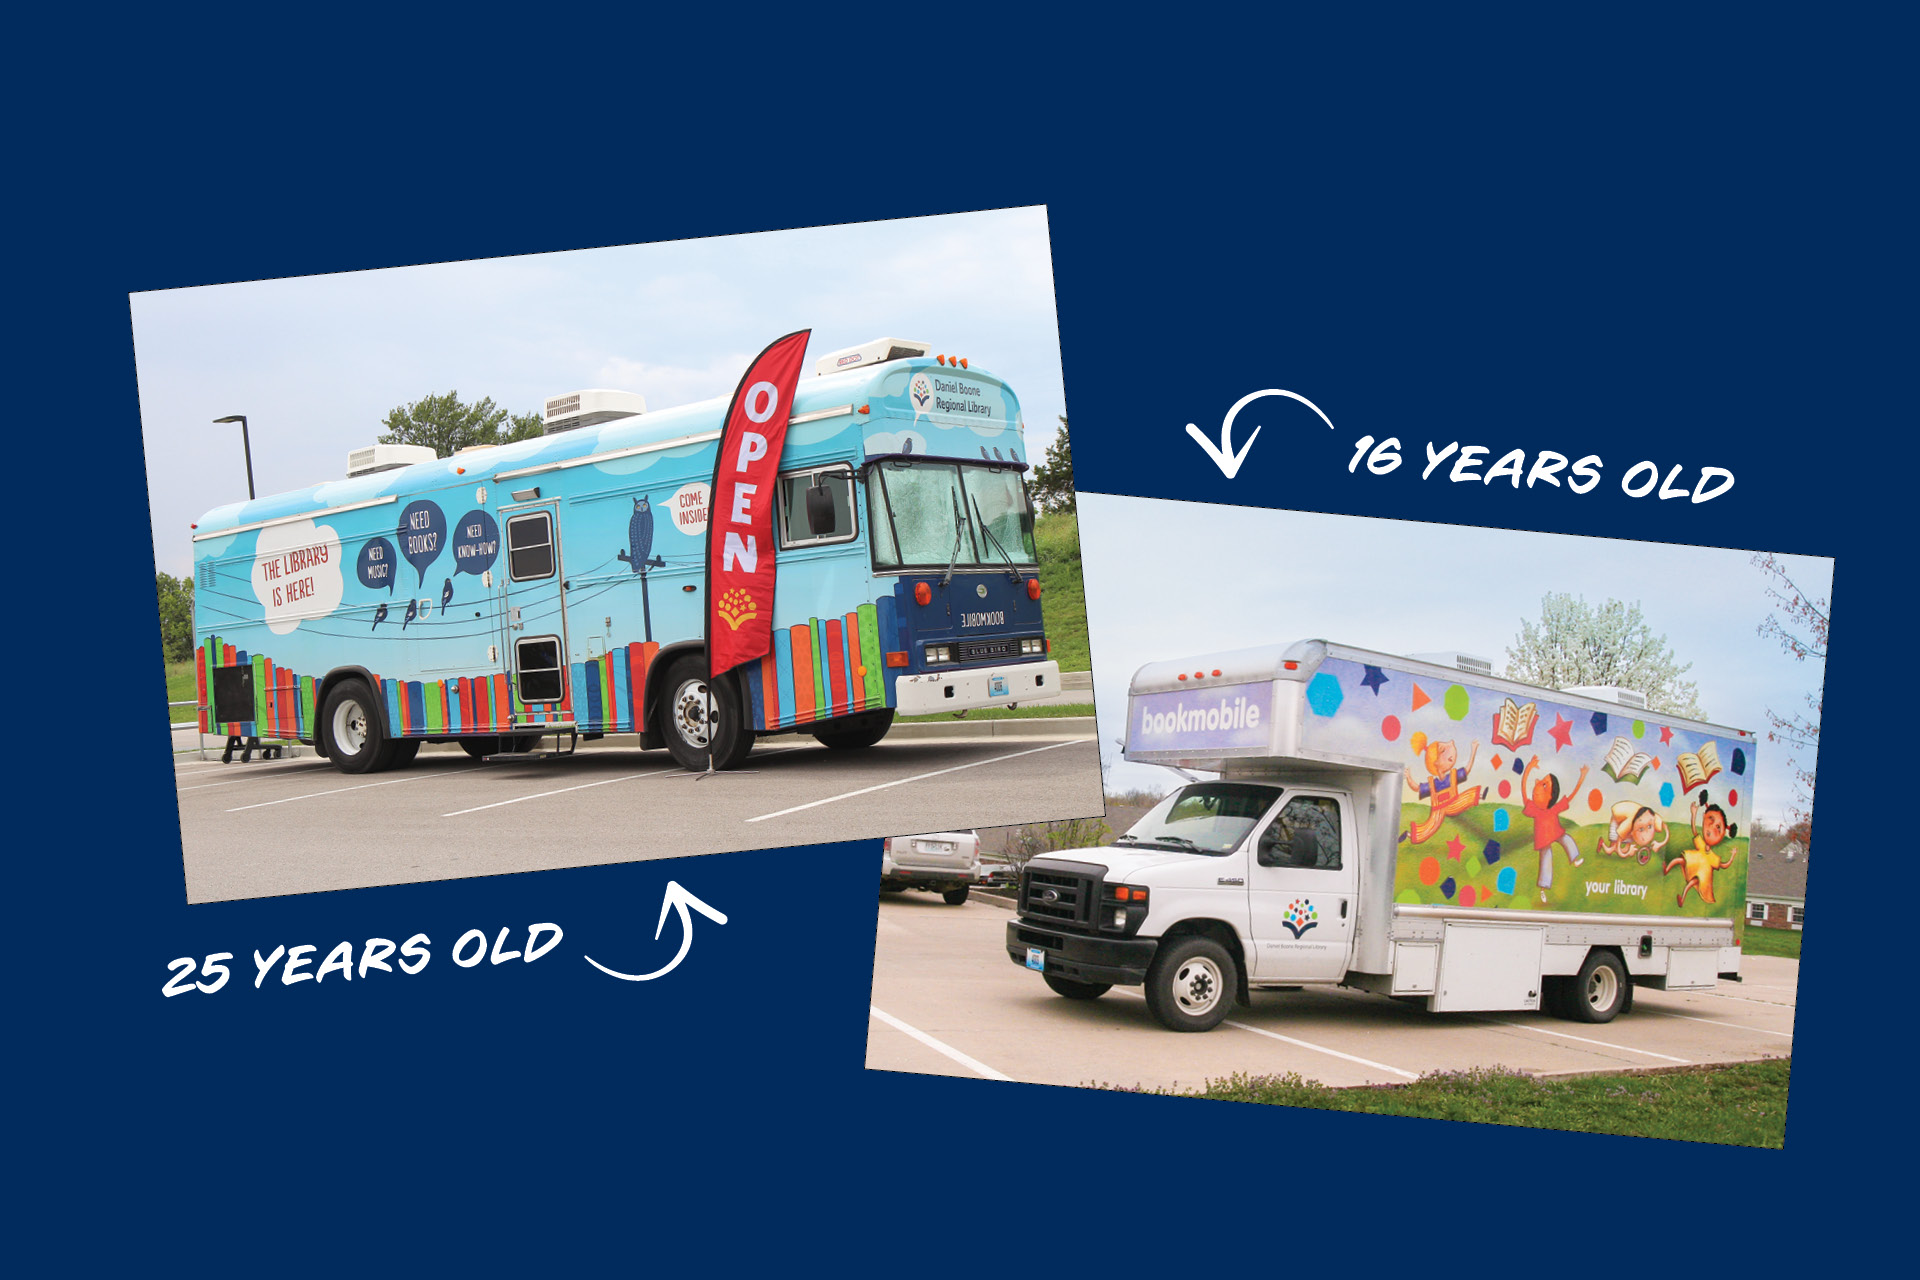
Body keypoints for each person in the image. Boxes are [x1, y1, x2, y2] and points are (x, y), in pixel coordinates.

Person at [1521, 755, 1588, 903]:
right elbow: (1524, 793)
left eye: (1544, 784)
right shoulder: (1534, 809)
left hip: (1555, 832)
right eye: (1541, 782)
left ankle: (1574, 858)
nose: (1538, 783)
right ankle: (1543, 889)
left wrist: (1582, 777)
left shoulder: (1553, 809)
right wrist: (1528, 769)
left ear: (1550, 795)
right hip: (1544, 839)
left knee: (1567, 839)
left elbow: (1570, 797)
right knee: (1546, 859)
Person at [1403, 734, 1481, 844]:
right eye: (1443, 751)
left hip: (1452, 803)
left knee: (1465, 797)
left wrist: (1473, 750)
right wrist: (1408, 778)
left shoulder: (1452, 776)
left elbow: (1467, 769)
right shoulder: (1433, 784)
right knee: (1429, 828)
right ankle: (1409, 835)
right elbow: (1417, 788)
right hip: (1438, 810)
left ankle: (1480, 795)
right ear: (1436, 763)